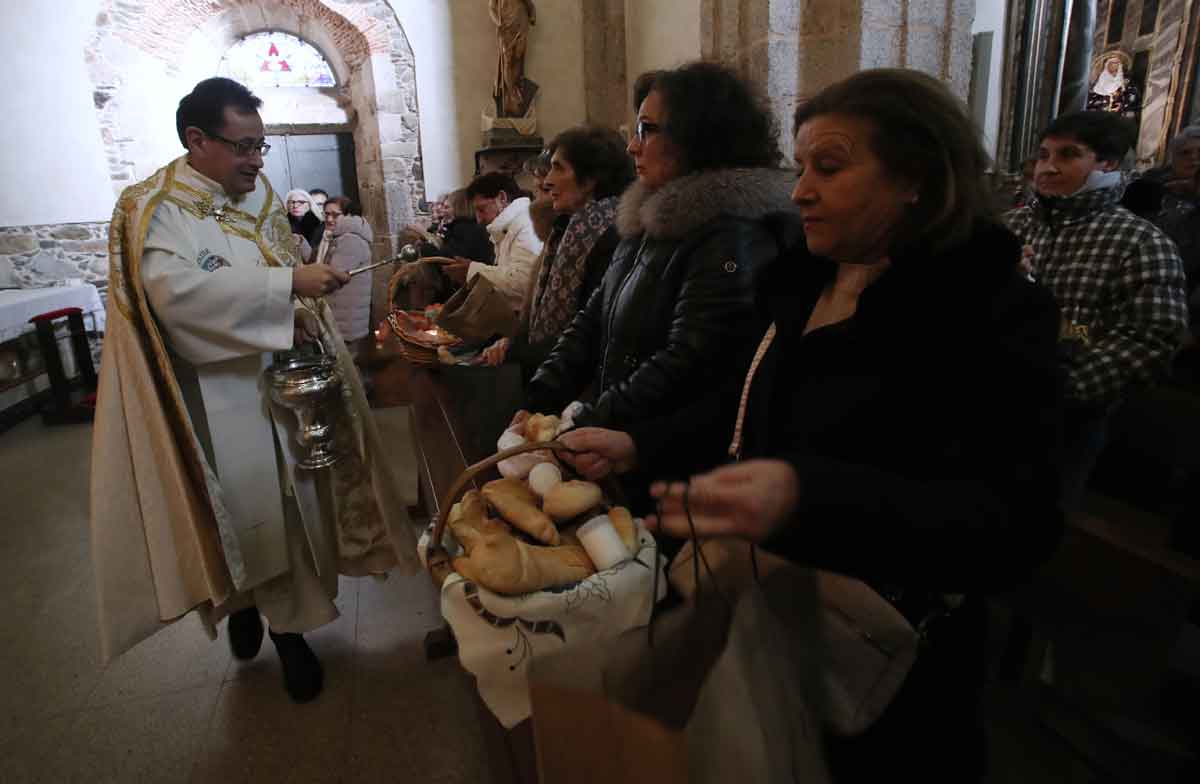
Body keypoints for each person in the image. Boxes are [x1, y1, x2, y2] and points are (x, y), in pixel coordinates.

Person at [560, 68, 1065, 782]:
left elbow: (1011, 523)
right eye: (800, 167)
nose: (800, 192)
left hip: (879, 662)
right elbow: (745, 405)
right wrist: (639, 442)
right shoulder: (805, 281)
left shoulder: (989, 313)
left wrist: (806, 495)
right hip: (766, 624)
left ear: (914, 176)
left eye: (829, 167)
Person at [90, 77, 419, 704]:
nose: (257, 161)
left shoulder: (258, 194)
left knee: (294, 514)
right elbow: (176, 301)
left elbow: (266, 258)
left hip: (280, 383)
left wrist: (292, 307)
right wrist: (285, 285)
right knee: (243, 516)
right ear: (197, 140)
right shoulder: (156, 209)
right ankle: (265, 622)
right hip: (214, 400)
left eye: (261, 146)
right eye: (245, 146)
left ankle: (285, 624)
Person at [516, 62, 797, 436]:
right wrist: (538, 400)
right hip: (613, 436)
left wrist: (583, 421)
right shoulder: (646, 219)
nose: (633, 145)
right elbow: (592, 320)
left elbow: (688, 362)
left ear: (697, 136)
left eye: (646, 130)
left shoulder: (732, 234)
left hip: (661, 456)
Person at [1004, 110, 1188, 509]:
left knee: (1040, 512)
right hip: (988, 403)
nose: (1047, 168)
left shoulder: (1141, 241)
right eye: (1042, 154)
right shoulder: (1008, 228)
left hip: (1068, 415)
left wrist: (1058, 393)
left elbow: (1149, 338)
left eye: (1068, 155)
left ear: (1107, 164)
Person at [481, 126, 634, 382]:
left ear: (589, 179)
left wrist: (520, 351)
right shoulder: (566, 229)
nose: (547, 180)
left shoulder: (611, 237)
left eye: (559, 168)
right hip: (550, 370)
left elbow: (593, 334)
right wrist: (513, 343)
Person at [443, 172, 543, 312]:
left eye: (481, 209)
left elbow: (523, 283)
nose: (479, 220)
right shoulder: (510, 226)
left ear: (502, 198)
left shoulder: (525, 225)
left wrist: (471, 270)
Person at [321, 197, 374, 350]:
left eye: (335, 215)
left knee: (345, 365)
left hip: (345, 318)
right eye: (326, 214)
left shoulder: (350, 240)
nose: (329, 219)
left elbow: (331, 275)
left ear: (347, 215)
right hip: (341, 314)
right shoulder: (334, 236)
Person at [1086, 51, 1140, 117]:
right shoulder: (1098, 85)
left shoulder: (1125, 82)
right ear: (1107, 65)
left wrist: (1121, 106)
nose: (1113, 66)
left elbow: (1132, 95)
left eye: (1116, 64)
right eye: (1111, 64)